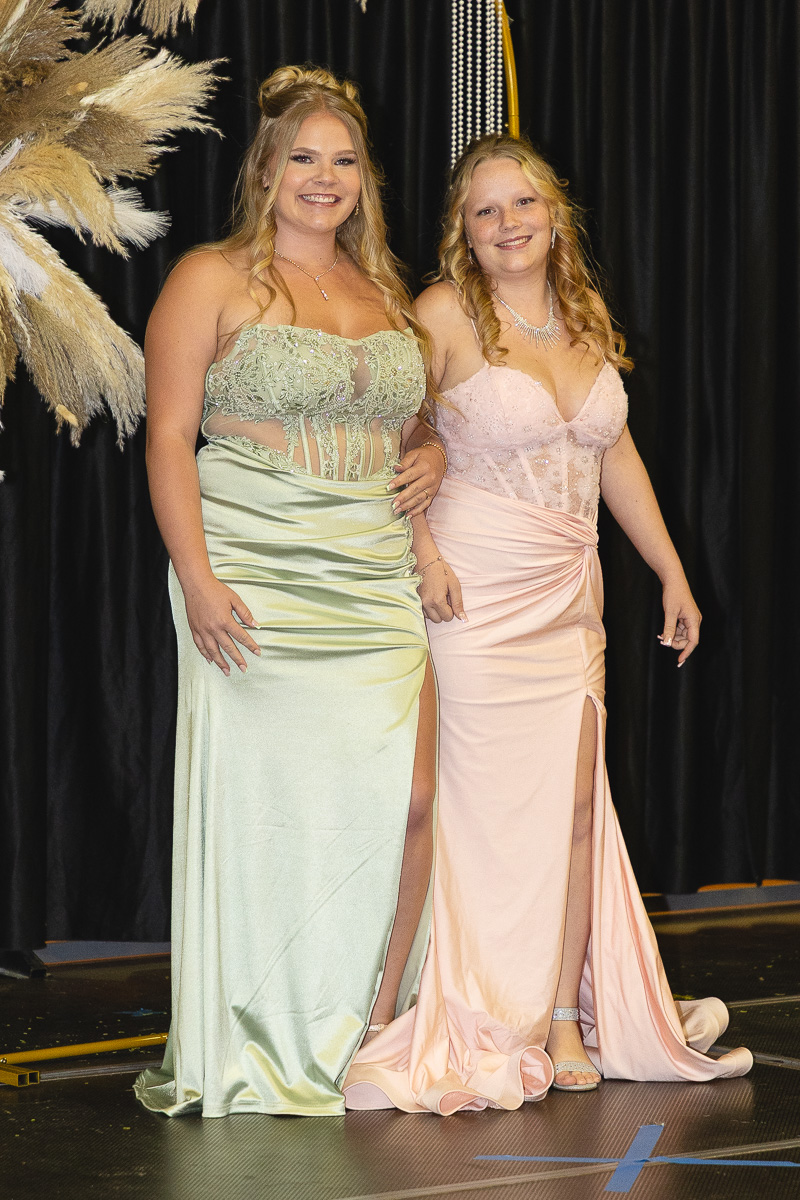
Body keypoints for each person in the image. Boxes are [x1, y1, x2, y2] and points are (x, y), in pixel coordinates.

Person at [344, 133, 751, 1114]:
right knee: (477, 816)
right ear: (463, 233)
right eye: (483, 211)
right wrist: (427, 558)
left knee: (572, 814)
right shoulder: (441, 316)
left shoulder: (583, 315)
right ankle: (484, 1006)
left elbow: (611, 455)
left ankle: (563, 1021)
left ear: (552, 213)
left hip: (570, 599)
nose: (505, 222)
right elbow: (398, 441)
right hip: (473, 596)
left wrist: (669, 571)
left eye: (520, 203)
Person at [134, 65, 457, 1118]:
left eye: (343, 160)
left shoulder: (384, 291)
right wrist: (196, 577)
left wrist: (433, 458)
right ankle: (262, 1041)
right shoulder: (212, 278)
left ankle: (370, 1032)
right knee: (275, 818)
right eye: (302, 158)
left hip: (371, 581)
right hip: (256, 580)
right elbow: (169, 437)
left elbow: (411, 419)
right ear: (264, 169)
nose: (323, 178)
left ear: (365, 176)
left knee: (409, 802)